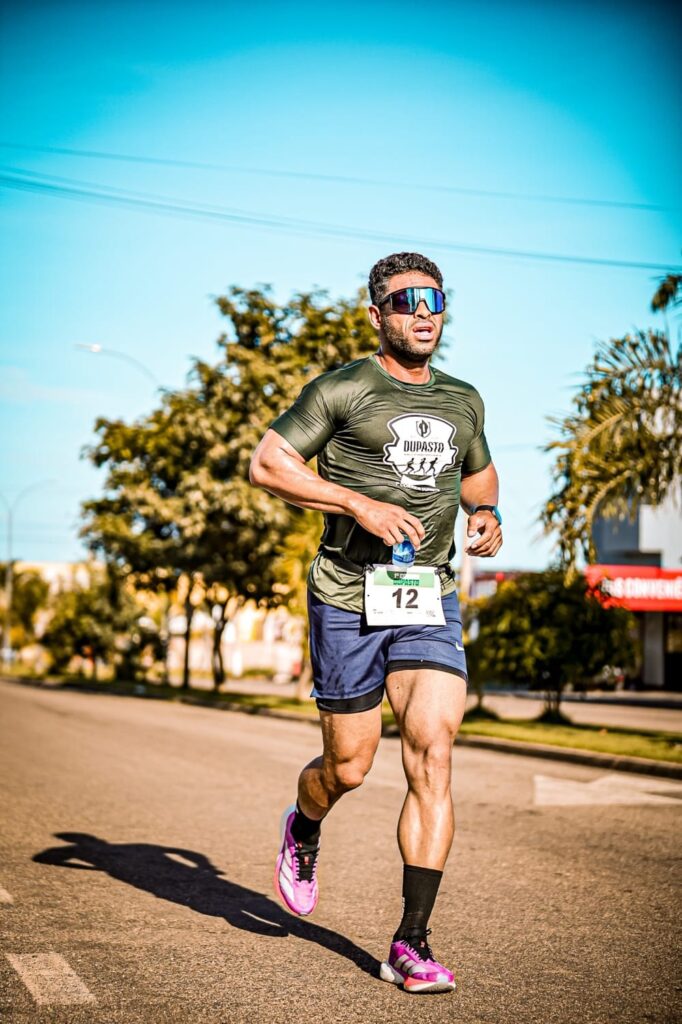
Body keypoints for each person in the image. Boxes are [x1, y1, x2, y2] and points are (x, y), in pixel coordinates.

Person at [249, 252, 502, 995]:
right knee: (349, 767)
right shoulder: (343, 389)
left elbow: (478, 474)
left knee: (433, 750)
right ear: (376, 314)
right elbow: (269, 464)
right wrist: (356, 503)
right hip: (346, 594)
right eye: (405, 300)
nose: (423, 312)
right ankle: (305, 824)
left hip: (427, 592)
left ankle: (411, 942)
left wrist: (486, 512)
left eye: (435, 300)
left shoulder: (463, 400)